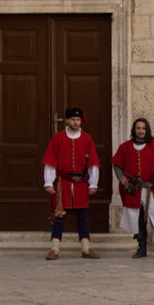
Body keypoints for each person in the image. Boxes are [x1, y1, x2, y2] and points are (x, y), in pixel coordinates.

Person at [112, 118, 154, 259]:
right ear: (134, 130)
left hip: (150, 189)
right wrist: (121, 178)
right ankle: (142, 248)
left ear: (147, 130)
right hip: (134, 190)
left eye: (143, 128)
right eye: (138, 128)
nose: (140, 131)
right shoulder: (125, 147)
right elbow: (117, 164)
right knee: (137, 219)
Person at [42, 107, 101, 260]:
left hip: (81, 184)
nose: (75, 122)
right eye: (73, 119)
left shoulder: (87, 139)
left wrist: (93, 183)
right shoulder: (58, 138)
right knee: (59, 216)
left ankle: (86, 248)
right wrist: (49, 182)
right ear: (67, 120)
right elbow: (50, 161)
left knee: (83, 215)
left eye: (78, 120)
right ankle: (54, 248)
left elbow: (92, 162)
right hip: (63, 184)